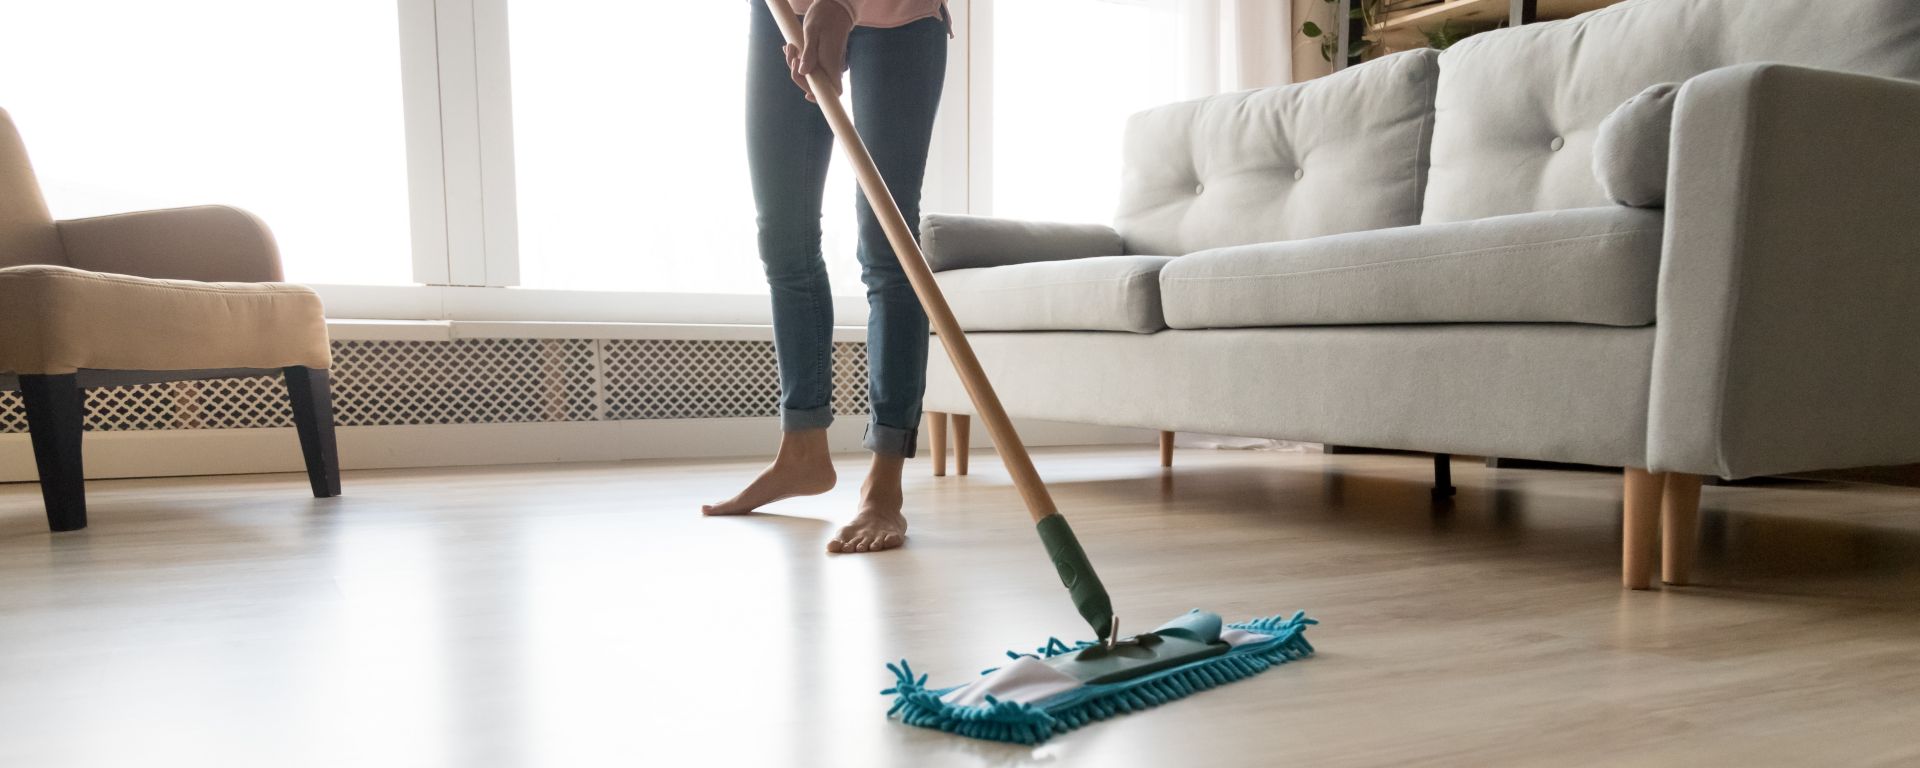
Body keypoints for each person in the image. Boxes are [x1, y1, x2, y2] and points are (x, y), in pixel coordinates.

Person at [702, 0, 949, 555]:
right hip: (786, 10)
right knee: (784, 239)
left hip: (900, 15)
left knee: (889, 247)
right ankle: (803, 452)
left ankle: (883, 485)